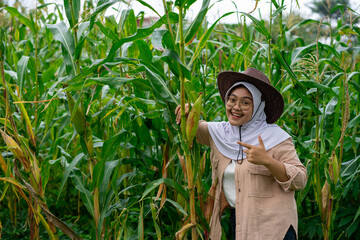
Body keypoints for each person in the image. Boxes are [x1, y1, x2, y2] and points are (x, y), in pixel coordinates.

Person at [175, 67, 307, 240]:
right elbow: (189, 127)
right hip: (237, 223)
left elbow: (300, 179)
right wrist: (188, 110)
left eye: (245, 102)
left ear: (258, 107)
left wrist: (268, 161)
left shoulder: (275, 138)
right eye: (232, 100)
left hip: (272, 227)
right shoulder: (219, 133)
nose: (236, 107)